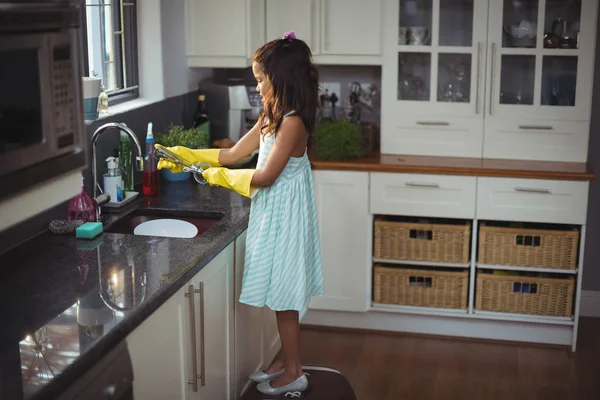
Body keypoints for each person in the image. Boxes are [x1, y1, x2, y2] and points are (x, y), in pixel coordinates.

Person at [156, 31, 323, 395]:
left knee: (285, 299)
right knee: (279, 296)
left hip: (287, 218)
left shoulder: (293, 123)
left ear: (280, 79)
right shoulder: (271, 116)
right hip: (273, 213)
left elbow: (264, 176)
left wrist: (213, 176)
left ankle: (295, 371)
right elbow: (234, 154)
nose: (258, 88)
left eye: (261, 81)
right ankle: (286, 359)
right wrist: (187, 154)